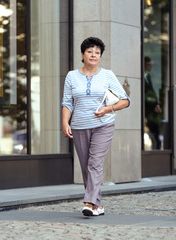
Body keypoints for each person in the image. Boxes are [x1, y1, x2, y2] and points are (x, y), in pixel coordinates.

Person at [61, 37, 130, 216]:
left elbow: (125, 100)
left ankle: (89, 202)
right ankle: (98, 206)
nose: (93, 55)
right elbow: (67, 103)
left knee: (95, 163)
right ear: (82, 54)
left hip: (103, 125)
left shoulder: (108, 75)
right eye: (90, 52)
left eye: (97, 53)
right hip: (79, 126)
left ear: (100, 56)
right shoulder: (71, 76)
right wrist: (64, 122)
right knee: (86, 166)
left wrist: (108, 108)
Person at [144, 56, 162, 149]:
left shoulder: (148, 76)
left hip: (152, 111)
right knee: (151, 133)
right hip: (146, 110)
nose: (150, 67)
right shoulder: (142, 76)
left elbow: (152, 92)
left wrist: (156, 104)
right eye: (148, 65)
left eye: (150, 65)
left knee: (156, 133)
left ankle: (157, 148)